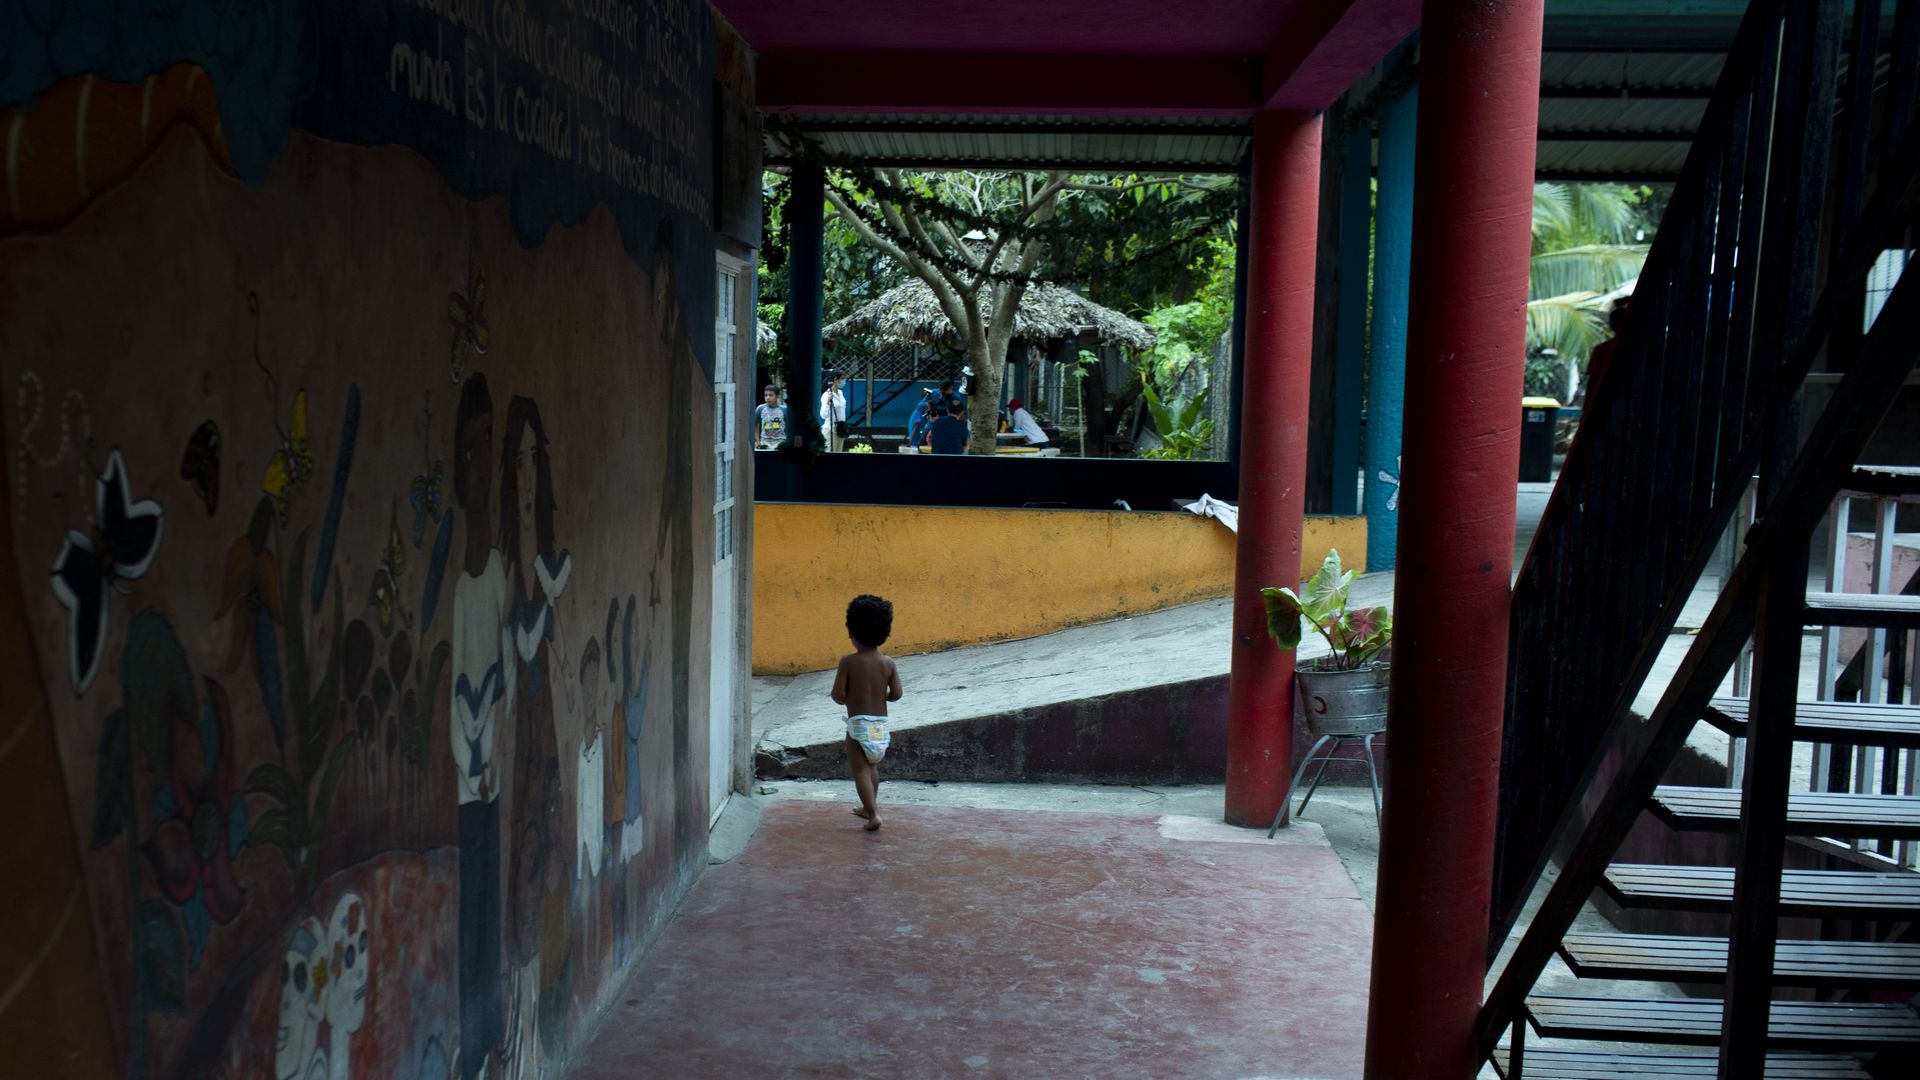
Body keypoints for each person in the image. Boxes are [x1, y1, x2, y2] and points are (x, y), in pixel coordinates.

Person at [831, 594, 903, 831]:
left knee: (860, 770)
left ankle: (873, 814)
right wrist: (881, 697)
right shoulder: (888, 663)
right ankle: (869, 808)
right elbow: (897, 694)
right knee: (872, 767)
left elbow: (837, 695)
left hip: (858, 725)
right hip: (881, 726)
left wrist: (849, 698)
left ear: (851, 632)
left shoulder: (848, 662)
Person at [819, 372, 847, 452]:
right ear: (835, 379)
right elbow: (823, 415)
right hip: (830, 430)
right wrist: (828, 402)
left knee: (839, 455)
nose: (844, 381)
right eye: (842, 378)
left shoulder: (840, 393)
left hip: (840, 429)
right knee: (830, 454)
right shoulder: (826, 395)